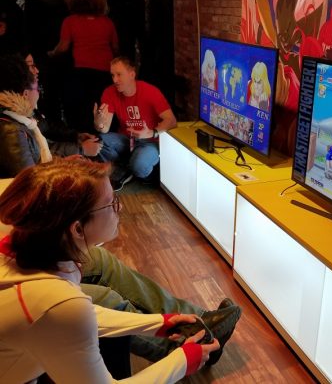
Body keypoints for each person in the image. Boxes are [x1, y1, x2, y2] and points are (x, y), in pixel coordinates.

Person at [0, 53, 242, 366]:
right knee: (109, 299)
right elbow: (34, 193)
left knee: (102, 260)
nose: (39, 87)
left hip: (30, 247)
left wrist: (78, 148)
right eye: (111, 204)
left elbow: (43, 159)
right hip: (24, 262)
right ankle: (182, 349)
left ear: (131, 73)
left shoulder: (25, 123)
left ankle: (197, 320)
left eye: (118, 74)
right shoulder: (12, 130)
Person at [0, 158, 221, 382]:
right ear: (78, 229)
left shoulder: (26, 252)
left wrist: (158, 323)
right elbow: (70, 313)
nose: (120, 207)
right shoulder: (56, 304)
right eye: (111, 203)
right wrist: (183, 361)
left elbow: (86, 313)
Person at [95, 56, 177, 189]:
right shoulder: (110, 92)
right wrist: (98, 122)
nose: (115, 80)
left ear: (132, 74)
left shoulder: (150, 91)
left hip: (150, 141)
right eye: (113, 75)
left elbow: (171, 121)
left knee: (139, 166)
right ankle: (123, 171)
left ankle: (136, 169)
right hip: (127, 139)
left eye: (119, 75)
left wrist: (151, 132)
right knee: (99, 141)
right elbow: (104, 129)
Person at [49, 0, 118, 132]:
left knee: (82, 109)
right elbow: (115, 47)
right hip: (105, 70)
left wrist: (51, 53)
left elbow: (63, 47)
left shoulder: (70, 21)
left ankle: (85, 138)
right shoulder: (107, 22)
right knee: (103, 107)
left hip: (81, 71)